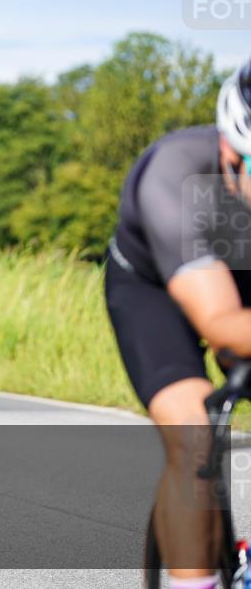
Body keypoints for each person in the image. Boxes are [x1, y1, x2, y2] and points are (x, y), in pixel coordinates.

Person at [106, 58, 251, 589]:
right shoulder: (173, 176)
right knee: (194, 439)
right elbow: (223, 324)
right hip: (154, 288)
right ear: (230, 153)